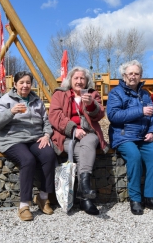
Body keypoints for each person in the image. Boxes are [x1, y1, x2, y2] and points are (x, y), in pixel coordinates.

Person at [0, 71, 56, 221]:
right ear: (15, 84)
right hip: (12, 139)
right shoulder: (6, 100)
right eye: (21, 82)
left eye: (28, 82)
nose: (25, 85)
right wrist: (11, 111)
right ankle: (24, 205)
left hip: (34, 137)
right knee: (27, 160)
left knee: (48, 155)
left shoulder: (37, 100)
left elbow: (46, 121)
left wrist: (46, 135)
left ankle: (43, 197)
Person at [106, 60, 153, 215]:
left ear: (140, 76)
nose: (133, 76)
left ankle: (151, 197)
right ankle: (135, 199)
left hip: (143, 136)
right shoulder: (115, 93)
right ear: (124, 75)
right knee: (134, 156)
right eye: (130, 73)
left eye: (136, 74)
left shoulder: (145, 94)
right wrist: (140, 111)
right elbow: (113, 116)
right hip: (123, 136)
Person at [49, 66, 109, 216]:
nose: (79, 81)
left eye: (82, 78)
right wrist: (73, 130)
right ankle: (85, 198)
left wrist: (90, 104)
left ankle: (84, 190)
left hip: (88, 133)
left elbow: (100, 114)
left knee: (88, 143)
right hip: (66, 136)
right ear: (70, 80)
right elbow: (55, 116)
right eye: (76, 78)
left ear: (87, 81)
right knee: (84, 151)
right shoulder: (59, 94)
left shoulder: (93, 94)